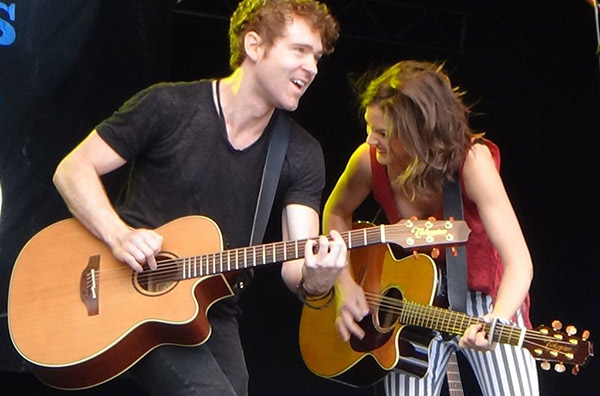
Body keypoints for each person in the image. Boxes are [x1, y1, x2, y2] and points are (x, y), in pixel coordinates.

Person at [52, 1, 346, 395]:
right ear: (254, 46)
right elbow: (72, 170)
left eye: (316, 56)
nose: (311, 68)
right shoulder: (167, 105)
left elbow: (297, 263)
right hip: (125, 291)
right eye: (299, 50)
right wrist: (119, 235)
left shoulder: (301, 152)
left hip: (213, 309)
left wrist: (317, 279)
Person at [323, 60, 539, 395]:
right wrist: (345, 285)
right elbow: (336, 213)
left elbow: (519, 263)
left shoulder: (472, 163)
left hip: (484, 300)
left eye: (383, 133)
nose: (370, 139)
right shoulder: (367, 160)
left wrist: (496, 320)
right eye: (370, 127)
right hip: (409, 302)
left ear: (418, 133)